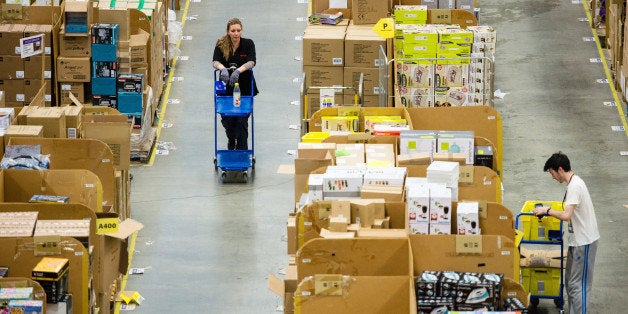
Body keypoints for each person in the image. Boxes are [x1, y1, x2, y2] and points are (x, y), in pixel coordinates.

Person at [533, 152, 600, 314]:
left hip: (584, 242)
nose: (552, 177)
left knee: (578, 285)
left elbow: (566, 215)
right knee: (570, 282)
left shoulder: (575, 186)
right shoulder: (573, 184)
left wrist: (546, 210)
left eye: (552, 172)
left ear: (560, 169)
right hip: (576, 241)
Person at [213, 18, 258, 150]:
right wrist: (222, 69)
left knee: (242, 120)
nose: (236, 33)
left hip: (244, 89)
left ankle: (242, 151)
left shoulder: (248, 44)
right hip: (227, 89)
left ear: (241, 31)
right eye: (233, 31)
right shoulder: (221, 44)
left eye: (238, 30)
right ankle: (231, 139)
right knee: (228, 119)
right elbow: (215, 61)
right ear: (228, 32)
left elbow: (252, 61)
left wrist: (239, 70)